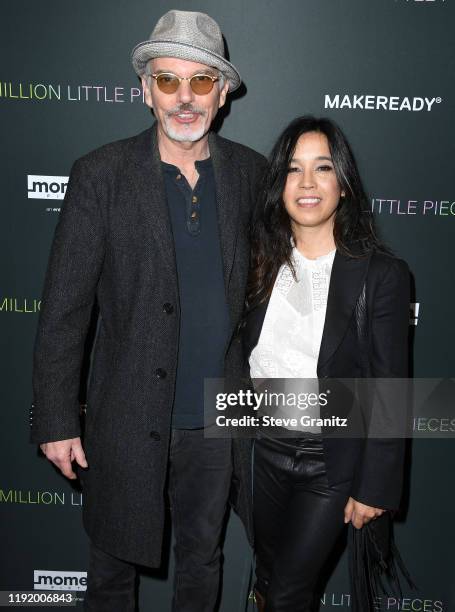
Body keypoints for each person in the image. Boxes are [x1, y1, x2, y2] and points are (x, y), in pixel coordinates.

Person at [29, 10, 266, 612]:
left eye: (201, 82)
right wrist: (57, 417)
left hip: (219, 419)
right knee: (111, 568)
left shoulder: (253, 175)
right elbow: (63, 310)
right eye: (167, 81)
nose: (184, 99)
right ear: (144, 90)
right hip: (123, 414)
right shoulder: (101, 175)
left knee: (203, 562)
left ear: (223, 93)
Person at [240, 116, 410, 611]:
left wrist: (374, 486)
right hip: (261, 452)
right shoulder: (258, 261)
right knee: (268, 581)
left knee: (292, 590)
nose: (308, 183)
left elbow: (389, 388)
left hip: (330, 463)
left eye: (323, 168)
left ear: (344, 184)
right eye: (294, 170)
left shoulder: (382, 275)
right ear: (280, 185)